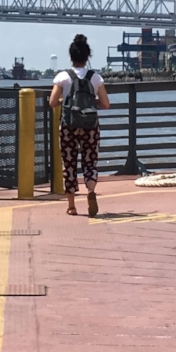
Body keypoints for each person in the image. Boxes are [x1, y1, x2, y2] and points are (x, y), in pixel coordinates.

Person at [49, 34, 110, 216]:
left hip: (68, 126)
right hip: (90, 126)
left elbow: (52, 102)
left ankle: (71, 206)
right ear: (87, 57)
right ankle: (91, 192)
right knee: (90, 162)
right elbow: (106, 104)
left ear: (71, 57)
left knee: (69, 164)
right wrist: (91, 103)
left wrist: (64, 100)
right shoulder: (95, 78)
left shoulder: (63, 77)